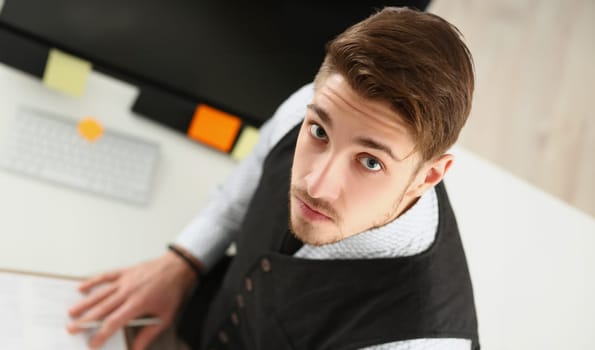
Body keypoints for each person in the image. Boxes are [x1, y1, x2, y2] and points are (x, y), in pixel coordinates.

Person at [67, 6, 479, 350]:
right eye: (319, 132)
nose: (316, 186)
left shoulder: (419, 339)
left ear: (429, 176)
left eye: (370, 162)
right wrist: (182, 263)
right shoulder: (312, 103)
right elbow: (237, 200)